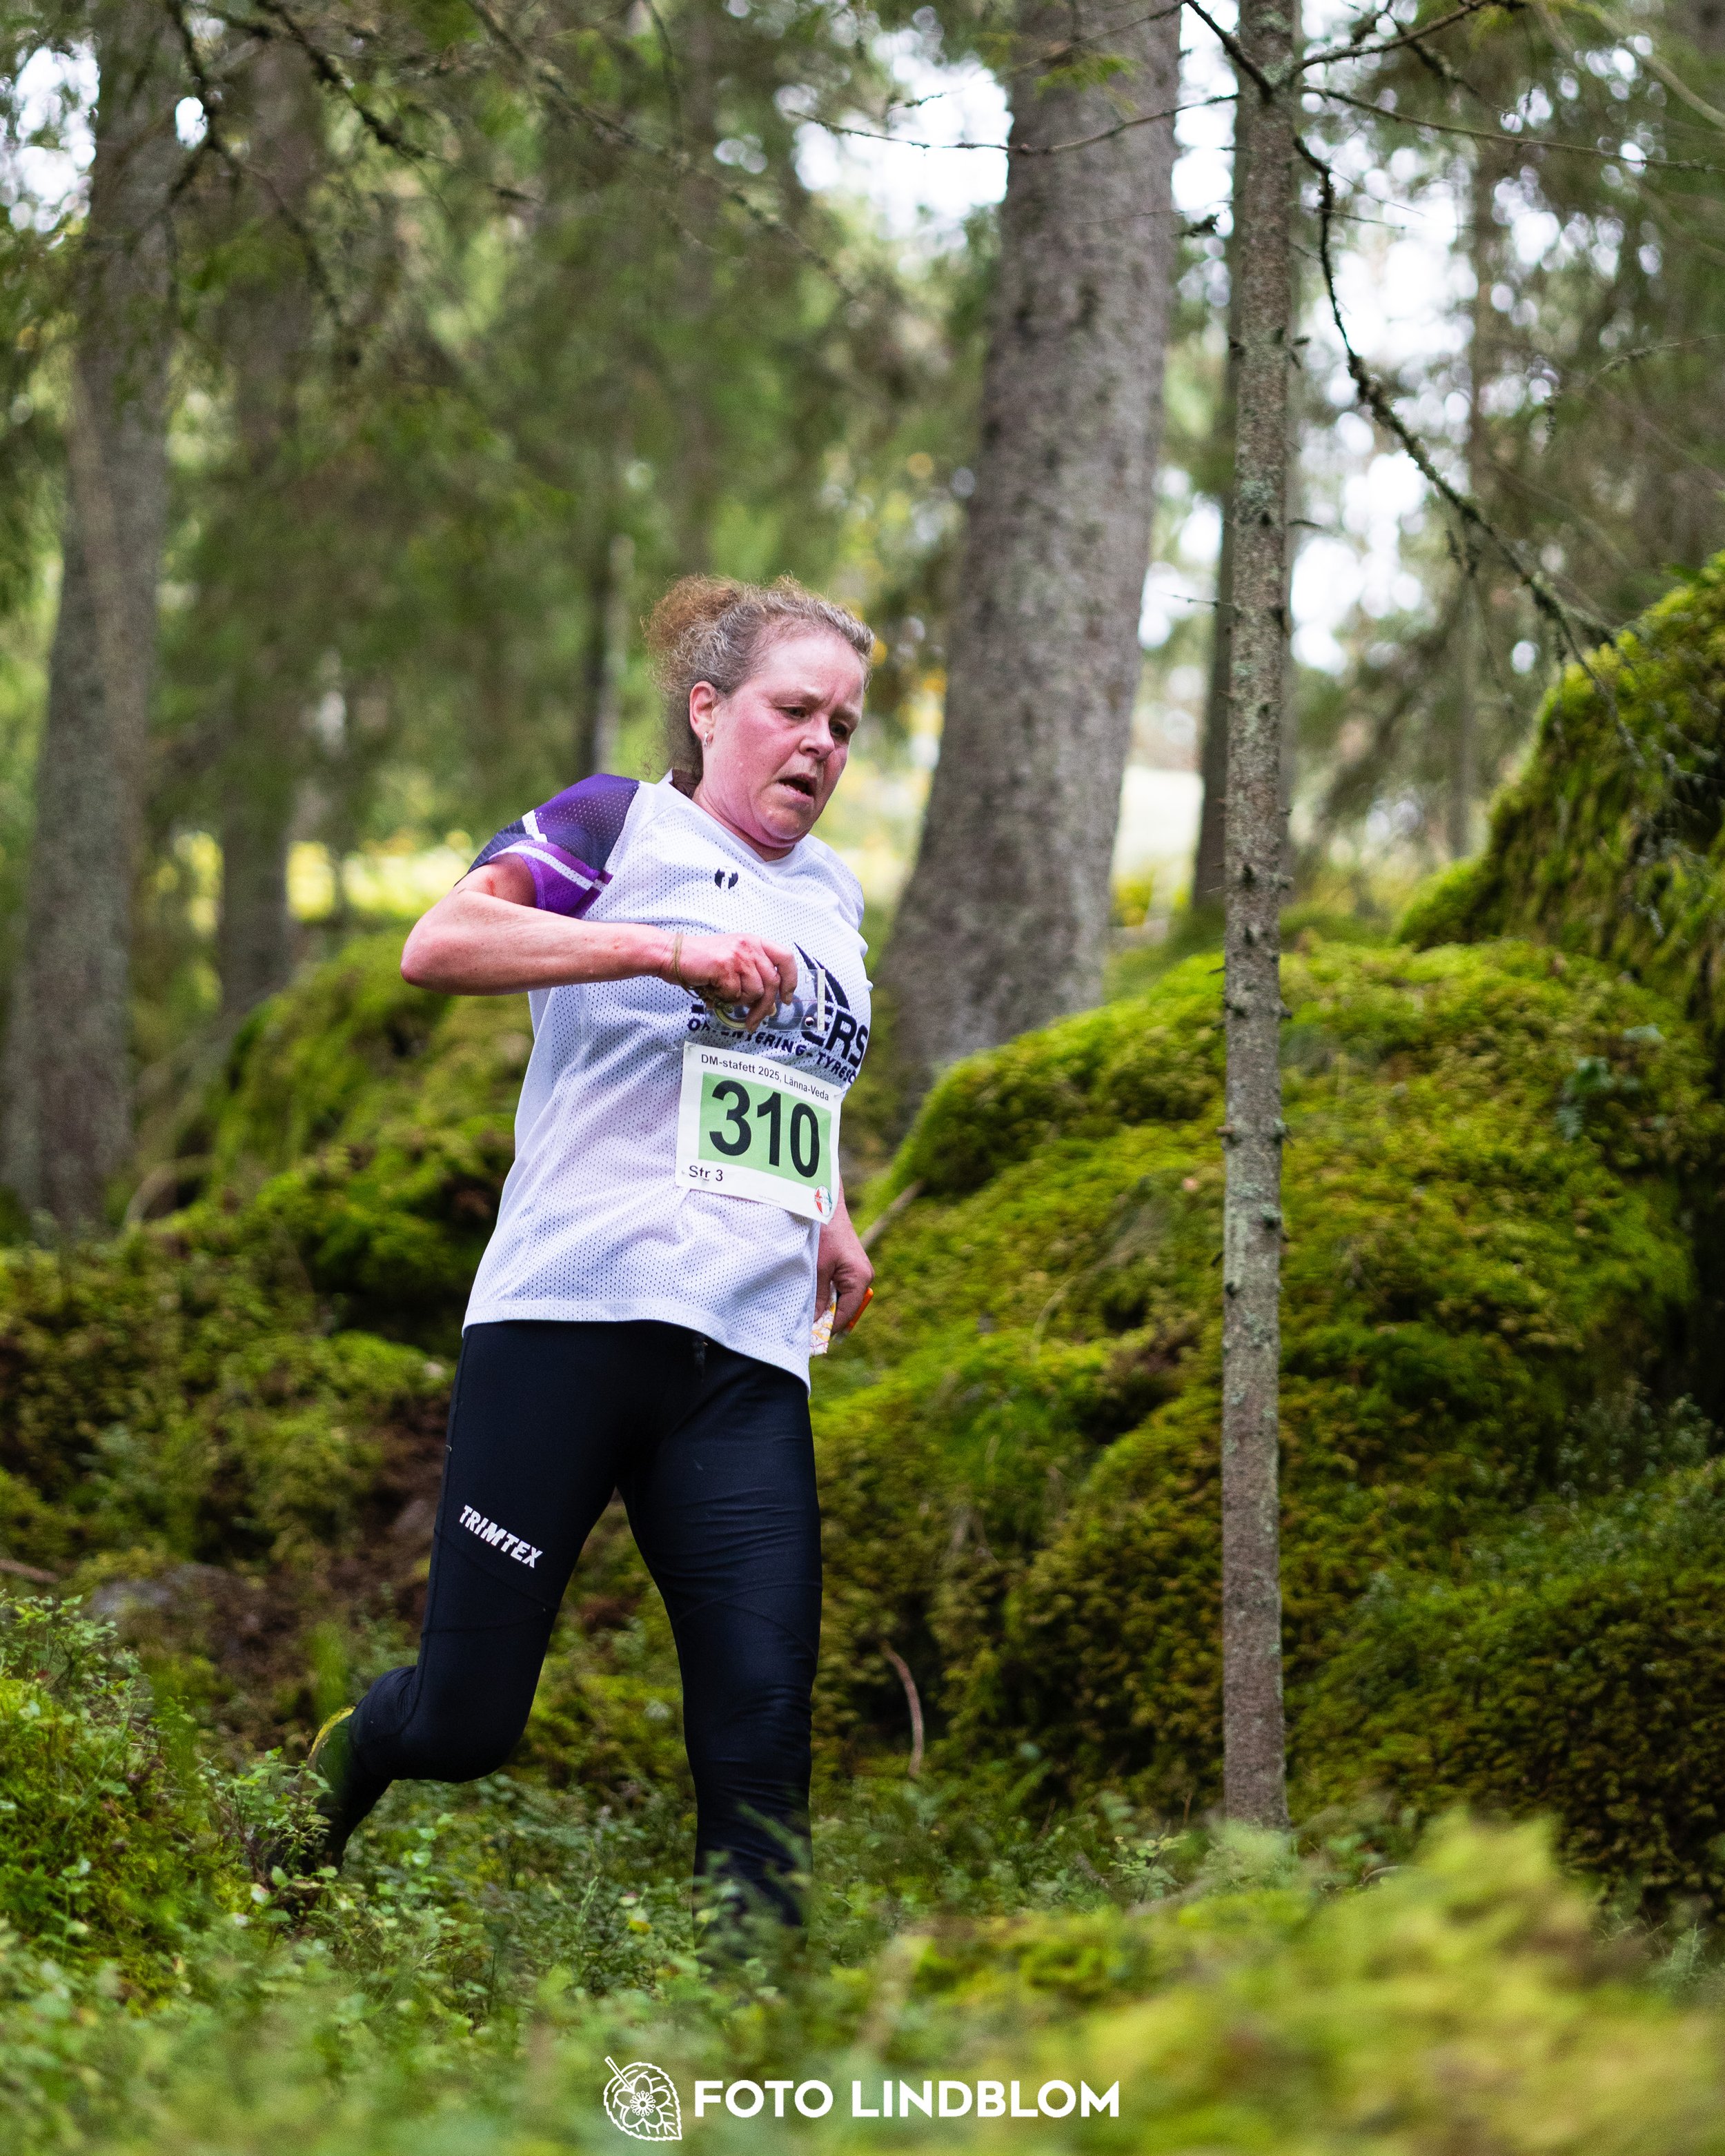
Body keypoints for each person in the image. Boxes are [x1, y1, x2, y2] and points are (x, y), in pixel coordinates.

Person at [297, 574, 876, 1928]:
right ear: (709, 705)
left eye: (843, 727)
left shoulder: (838, 897)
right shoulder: (614, 822)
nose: (819, 747)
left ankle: (741, 2084)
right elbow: (439, 944)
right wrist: (663, 946)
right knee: (463, 1724)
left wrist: (829, 1214)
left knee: (760, 1741)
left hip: (742, 1358)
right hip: (565, 1321)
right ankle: (340, 1766)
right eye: (794, 711)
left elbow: (783, 1078)